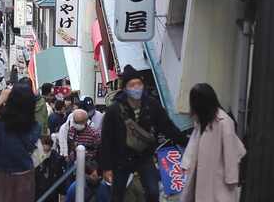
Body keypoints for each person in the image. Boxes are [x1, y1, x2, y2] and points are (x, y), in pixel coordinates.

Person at [100, 65, 187, 202]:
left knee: (153, 191)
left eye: (139, 84)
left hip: (144, 156)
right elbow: (106, 139)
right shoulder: (114, 110)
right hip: (121, 158)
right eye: (132, 84)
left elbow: (167, 126)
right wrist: (106, 167)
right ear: (125, 88)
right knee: (117, 195)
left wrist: (186, 142)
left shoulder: (152, 105)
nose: (136, 88)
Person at [180, 83, 246, 202]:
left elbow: (230, 153)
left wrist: (231, 179)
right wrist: (186, 163)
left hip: (218, 177)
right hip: (200, 174)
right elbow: (193, 142)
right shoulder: (201, 120)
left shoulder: (224, 122)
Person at [35, 136, 67, 202]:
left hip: (52, 197)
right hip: (37, 196)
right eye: (43, 151)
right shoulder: (34, 160)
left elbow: (61, 183)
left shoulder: (56, 160)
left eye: (47, 151)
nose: (45, 154)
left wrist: (62, 197)